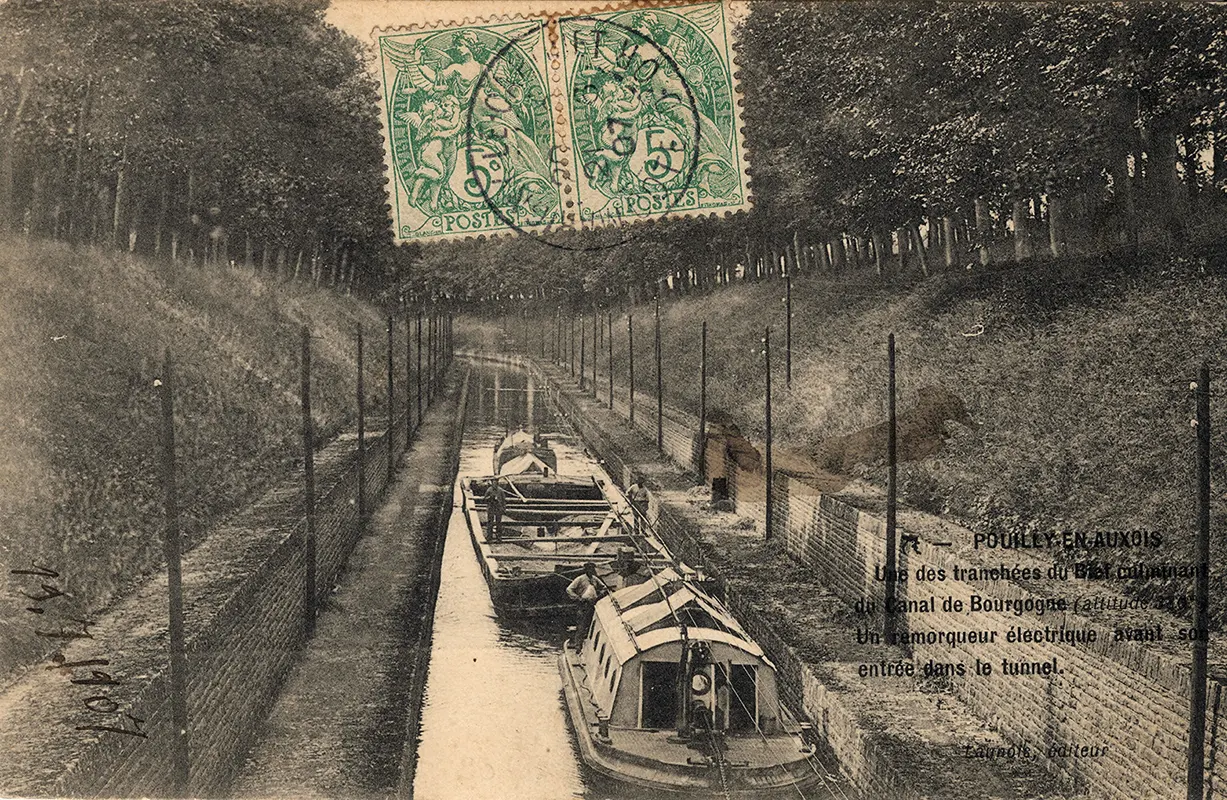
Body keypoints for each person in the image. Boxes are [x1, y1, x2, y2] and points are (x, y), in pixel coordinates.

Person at [566, 562, 603, 632]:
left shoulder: (595, 579)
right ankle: (578, 641)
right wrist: (577, 598)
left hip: (593, 604)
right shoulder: (580, 579)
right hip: (583, 604)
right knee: (581, 624)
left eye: (592, 569)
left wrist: (599, 595)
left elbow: (604, 587)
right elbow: (569, 589)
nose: (591, 570)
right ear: (586, 570)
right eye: (589, 569)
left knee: (591, 624)